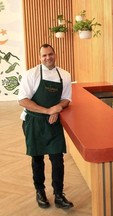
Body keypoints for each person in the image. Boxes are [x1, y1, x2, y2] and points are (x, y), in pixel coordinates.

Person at [18, 44, 74, 209]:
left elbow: (66, 99)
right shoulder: (31, 74)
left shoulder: (64, 75)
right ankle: (40, 192)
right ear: (39, 57)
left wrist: (58, 108)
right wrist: (48, 110)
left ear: (54, 54)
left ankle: (58, 194)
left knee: (57, 159)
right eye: (44, 56)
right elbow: (23, 100)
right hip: (33, 121)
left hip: (53, 122)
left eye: (50, 54)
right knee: (37, 159)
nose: (47, 58)